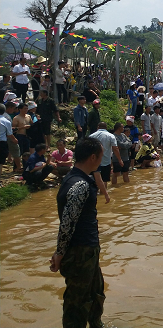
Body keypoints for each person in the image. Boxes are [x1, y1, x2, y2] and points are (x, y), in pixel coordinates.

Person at [50, 137, 106, 328]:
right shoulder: (79, 185)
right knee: (77, 302)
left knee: (96, 292)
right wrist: (59, 252)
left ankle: (96, 323)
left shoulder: (76, 179)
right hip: (80, 251)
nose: (102, 160)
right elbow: (67, 223)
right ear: (92, 157)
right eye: (101, 156)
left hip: (88, 249)